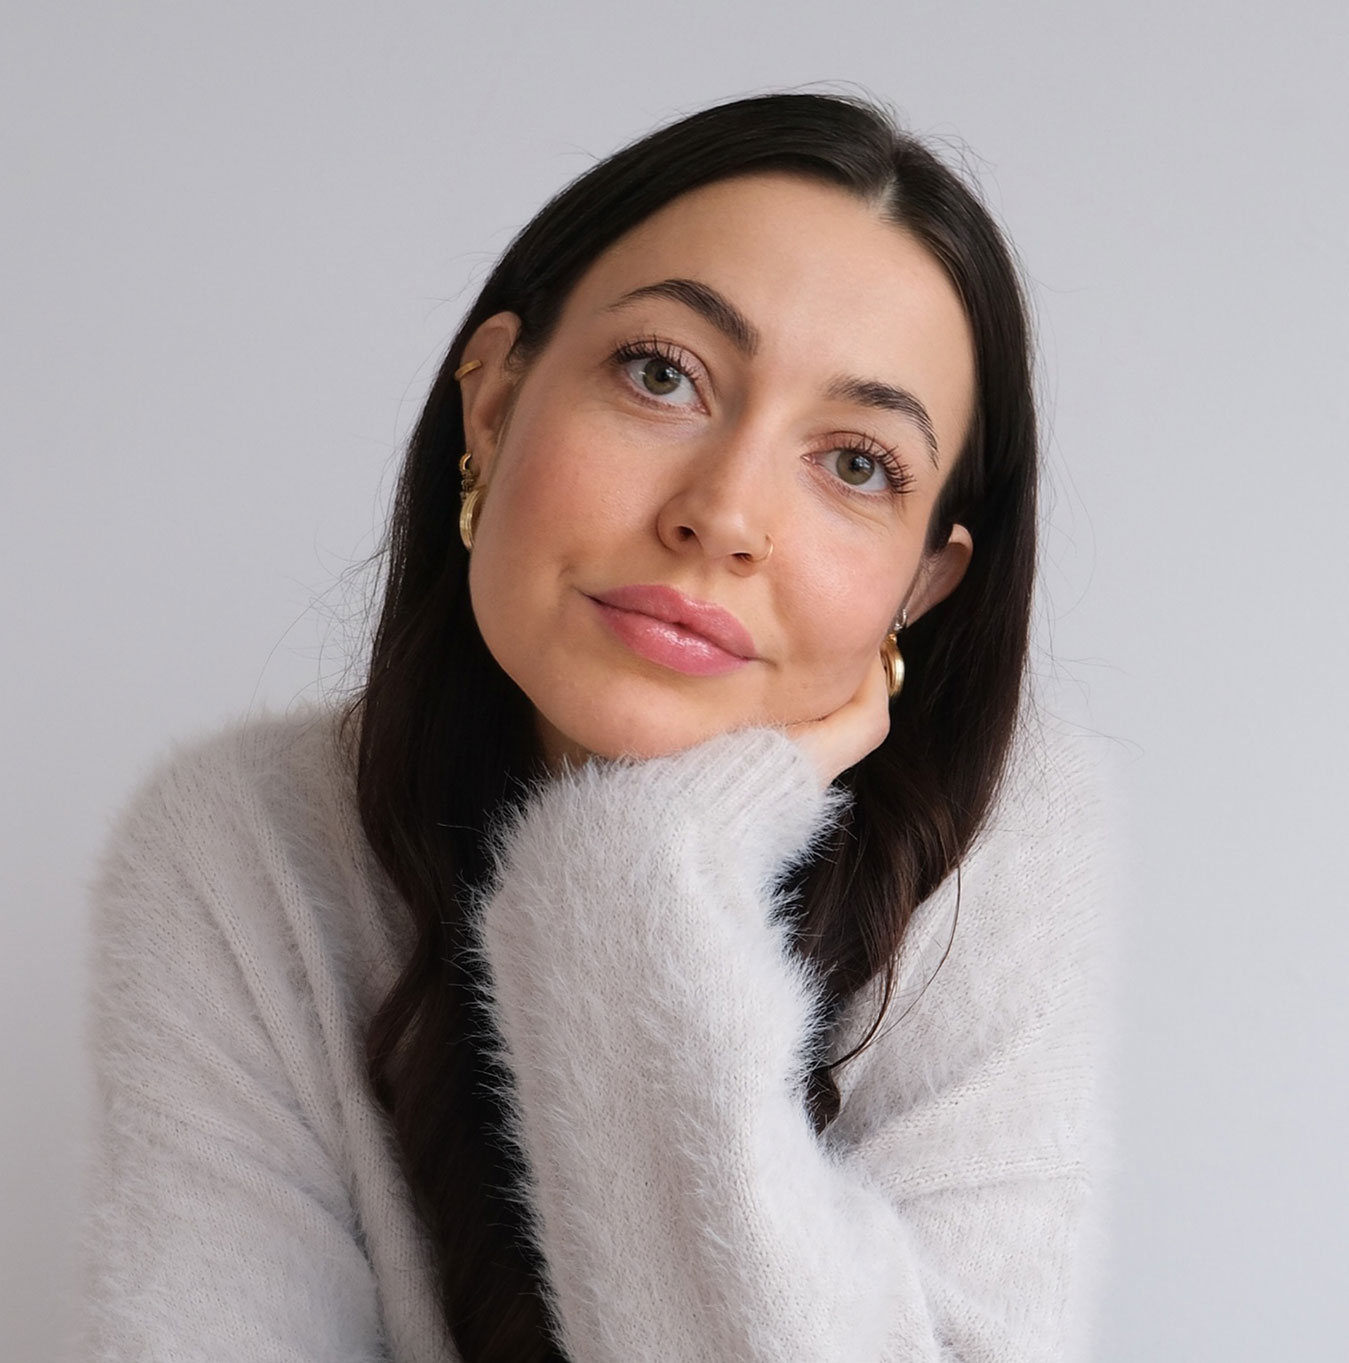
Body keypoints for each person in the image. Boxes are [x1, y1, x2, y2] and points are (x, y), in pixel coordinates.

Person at [80, 92, 1114, 1362]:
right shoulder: (243, 852)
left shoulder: (1000, 856)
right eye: (661, 373)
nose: (722, 513)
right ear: (492, 402)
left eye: (855, 463)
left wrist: (640, 886)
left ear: (919, 584)